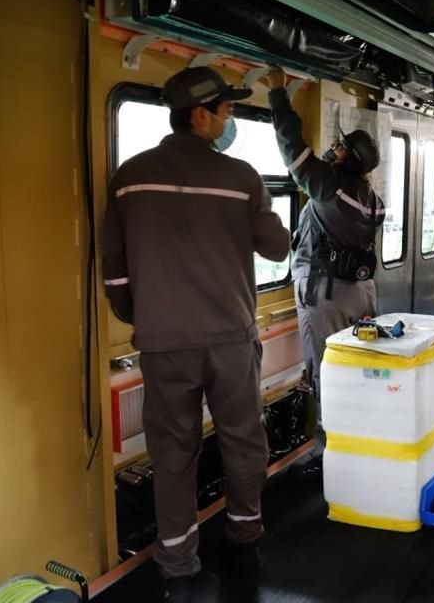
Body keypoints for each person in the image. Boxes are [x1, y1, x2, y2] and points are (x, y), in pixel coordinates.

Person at [102, 66, 290, 601]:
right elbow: (276, 248)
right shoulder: (241, 177)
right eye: (228, 111)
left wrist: (143, 316)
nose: (229, 120)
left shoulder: (130, 177)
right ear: (201, 115)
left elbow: (114, 268)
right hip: (229, 337)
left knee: (172, 449)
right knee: (242, 438)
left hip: (163, 342)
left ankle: (177, 559)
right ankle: (244, 534)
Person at [266, 67, 385, 468]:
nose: (330, 149)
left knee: (326, 373)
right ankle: (363, 438)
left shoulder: (331, 187)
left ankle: (330, 453)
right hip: (361, 292)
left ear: (347, 159)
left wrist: (279, 96)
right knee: (359, 366)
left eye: (337, 147)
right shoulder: (371, 198)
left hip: (325, 295)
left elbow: (293, 152)